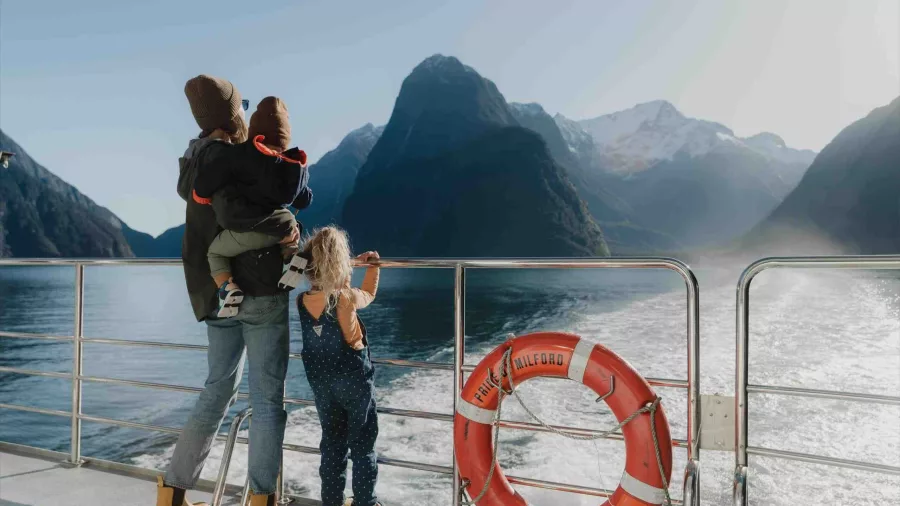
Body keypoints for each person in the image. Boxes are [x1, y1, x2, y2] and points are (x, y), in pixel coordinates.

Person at [156, 74, 294, 506]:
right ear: (234, 117)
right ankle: (261, 499)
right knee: (268, 399)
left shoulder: (194, 162)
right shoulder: (235, 160)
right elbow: (254, 216)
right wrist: (291, 227)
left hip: (215, 296)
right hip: (260, 293)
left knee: (217, 389)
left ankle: (173, 492)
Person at [192, 96, 313, 317]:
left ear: (255, 130)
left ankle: (227, 288)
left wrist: (200, 196)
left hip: (246, 231)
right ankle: (290, 256)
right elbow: (304, 200)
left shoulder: (239, 156)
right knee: (290, 229)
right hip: (281, 231)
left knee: (215, 253)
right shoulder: (294, 166)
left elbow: (206, 182)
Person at [295, 227, 382, 506]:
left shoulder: (302, 302)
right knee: (362, 444)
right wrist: (372, 266)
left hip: (323, 385)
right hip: (354, 382)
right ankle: (365, 502)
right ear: (340, 266)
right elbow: (368, 293)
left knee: (332, 444)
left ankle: (331, 501)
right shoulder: (344, 298)